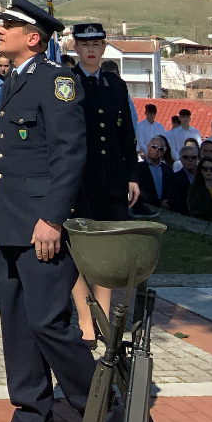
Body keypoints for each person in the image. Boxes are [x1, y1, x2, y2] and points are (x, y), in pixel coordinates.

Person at [0, 0, 120, 422]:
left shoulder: (56, 81)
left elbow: (70, 154)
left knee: (50, 323)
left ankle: (105, 418)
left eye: (6, 25)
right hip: (14, 221)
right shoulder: (16, 80)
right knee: (18, 320)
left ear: (33, 37)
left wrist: (52, 220)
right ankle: (33, 418)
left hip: (42, 223)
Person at [69, 21, 140, 344]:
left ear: (104, 47)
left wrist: (132, 176)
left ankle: (104, 316)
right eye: (85, 45)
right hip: (80, 179)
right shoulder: (67, 84)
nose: (92, 50)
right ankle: (86, 318)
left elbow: (126, 135)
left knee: (108, 253)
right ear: (75, 47)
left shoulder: (116, 85)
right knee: (79, 251)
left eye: (97, 44)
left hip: (112, 178)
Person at [132, 136, 176, 213]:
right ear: (148, 147)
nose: (157, 150)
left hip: (165, 210)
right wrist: (158, 203)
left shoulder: (168, 169)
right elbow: (139, 190)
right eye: (154, 146)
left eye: (160, 148)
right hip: (145, 208)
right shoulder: (138, 168)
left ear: (163, 151)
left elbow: (171, 189)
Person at [168, 142, 200, 215]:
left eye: (193, 157)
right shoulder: (174, 179)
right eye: (186, 157)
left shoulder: (203, 175)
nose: (190, 160)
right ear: (181, 159)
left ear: (197, 158)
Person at [189, 158, 212, 224]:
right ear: (201, 171)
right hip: (206, 228)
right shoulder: (194, 190)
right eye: (205, 169)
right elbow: (194, 212)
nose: (208, 171)